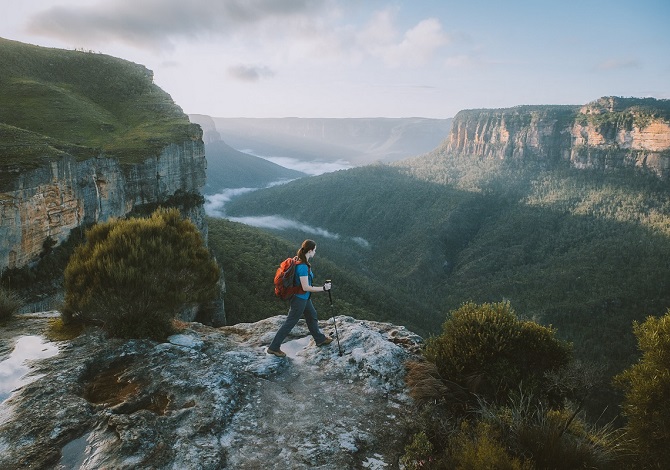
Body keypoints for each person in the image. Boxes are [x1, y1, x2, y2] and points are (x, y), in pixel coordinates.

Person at [267, 239, 333, 357]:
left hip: (304, 298)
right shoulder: (302, 266)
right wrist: (323, 289)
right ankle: (274, 347)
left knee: (312, 316)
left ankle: (319, 339)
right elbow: (306, 287)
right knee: (290, 322)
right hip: (299, 299)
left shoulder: (300, 260)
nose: (315, 253)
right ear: (310, 250)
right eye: (315, 250)